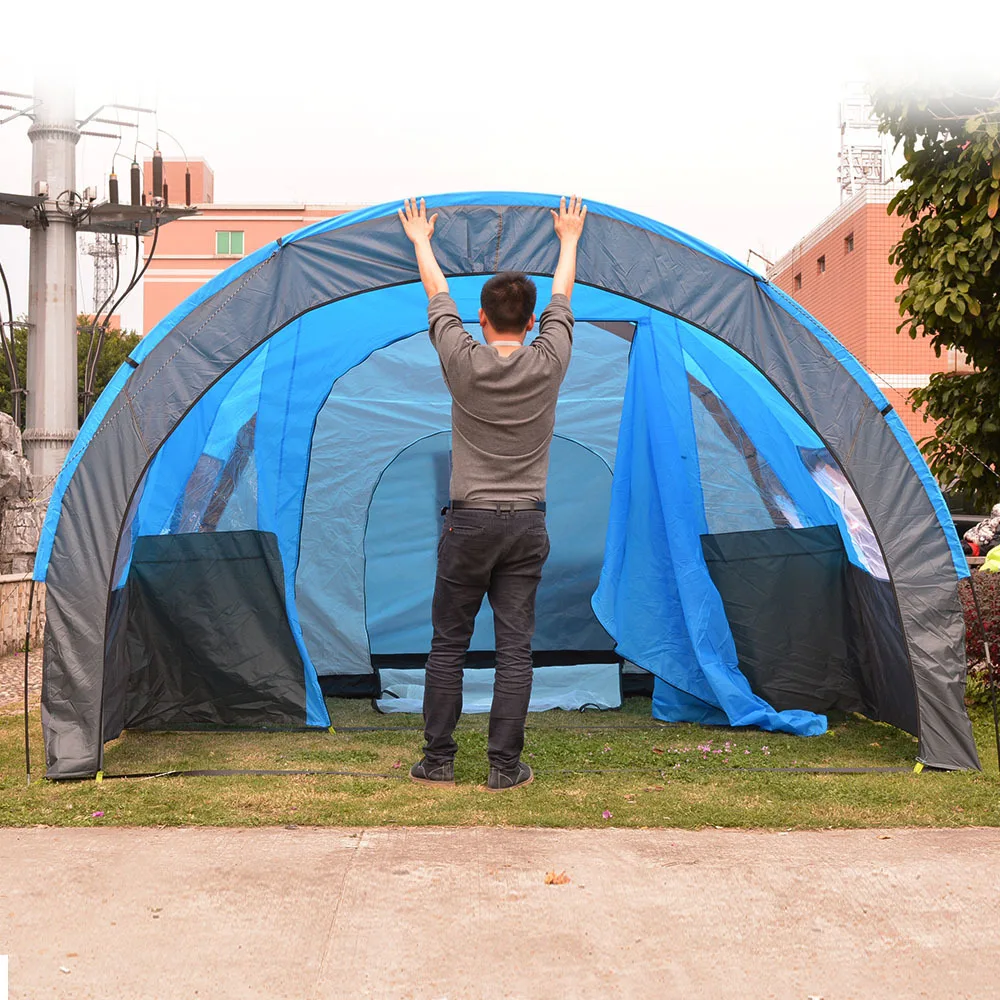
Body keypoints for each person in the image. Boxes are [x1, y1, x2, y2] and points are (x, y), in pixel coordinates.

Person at [398, 194, 587, 791]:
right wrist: (569, 239)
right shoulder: (549, 362)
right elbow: (563, 297)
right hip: (526, 525)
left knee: (448, 644)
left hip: (469, 524)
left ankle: (439, 761)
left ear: (481, 319)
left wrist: (423, 241)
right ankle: (504, 769)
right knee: (514, 652)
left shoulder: (462, 361)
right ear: (531, 325)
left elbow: (437, 299)